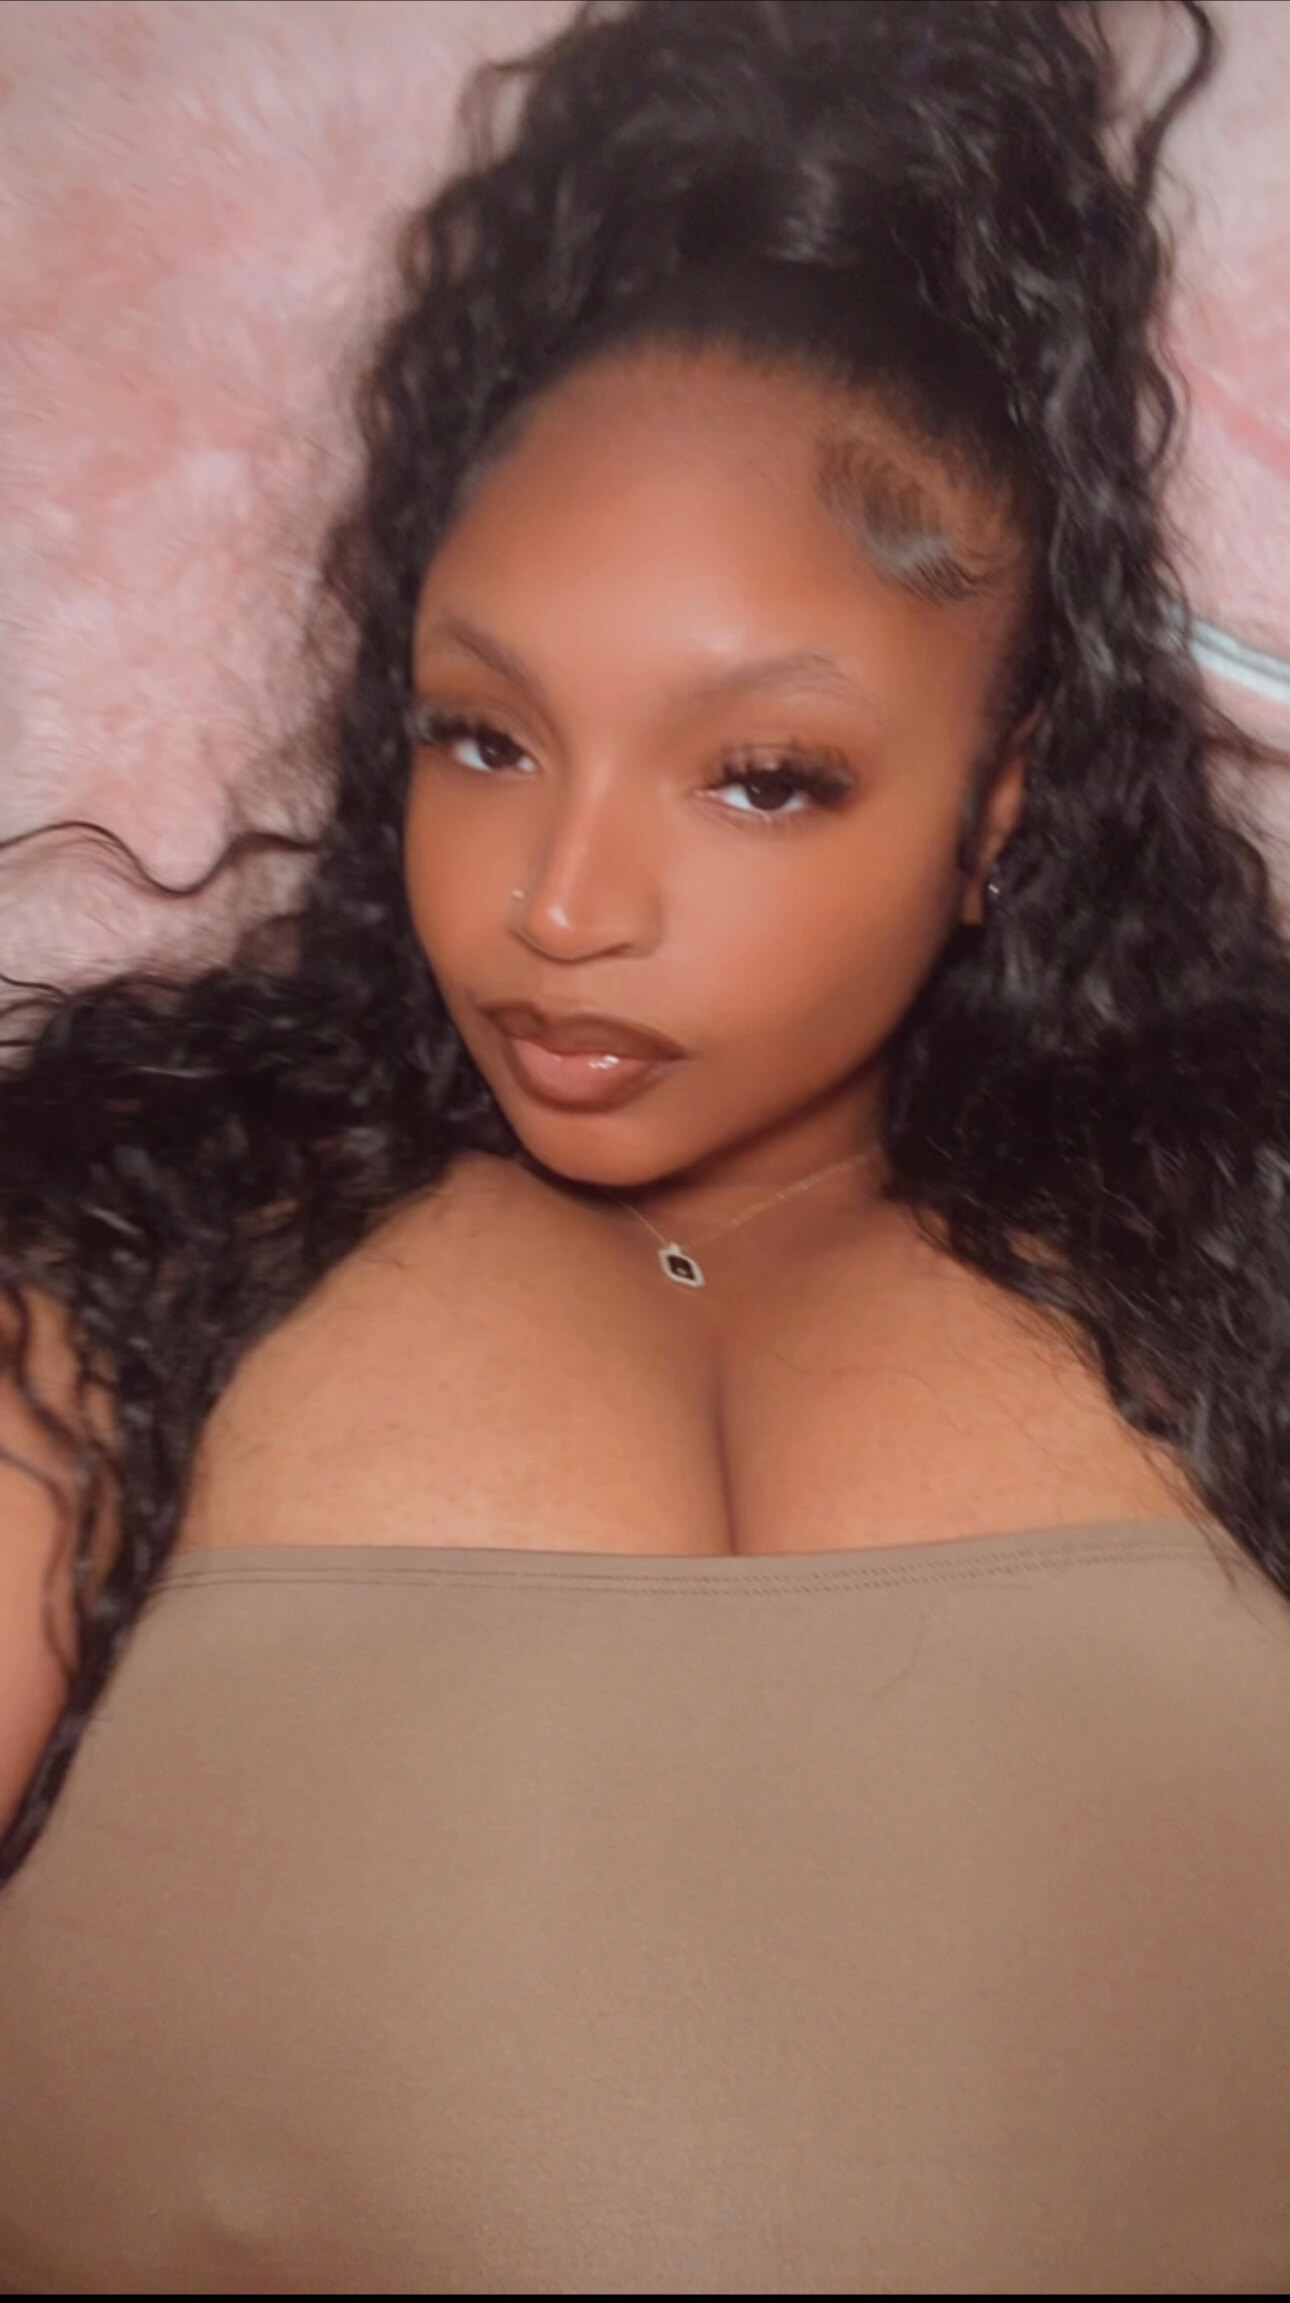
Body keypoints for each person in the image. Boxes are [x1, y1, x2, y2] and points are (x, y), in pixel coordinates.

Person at [2, 0, 1290, 2287]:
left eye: (763, 776)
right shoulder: (118, 1267)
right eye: (484, 737)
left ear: (999, 810)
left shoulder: (1252, 1272)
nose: (565, 905)